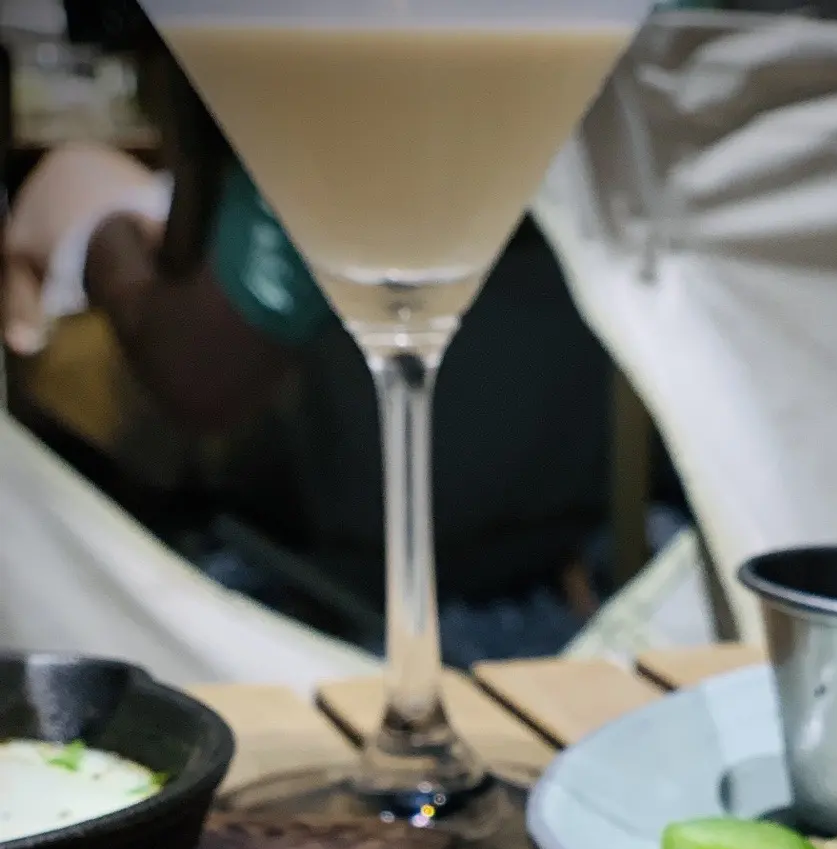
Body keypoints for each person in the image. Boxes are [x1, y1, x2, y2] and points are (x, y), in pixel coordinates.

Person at [2, 13, 619, 661]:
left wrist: (105, 241)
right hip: (574, 552)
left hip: (329, 607)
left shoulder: (334, 51)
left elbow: (203, 377)